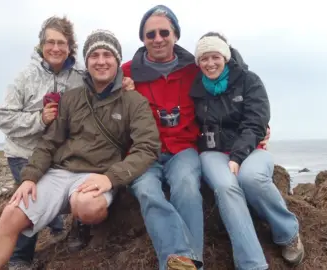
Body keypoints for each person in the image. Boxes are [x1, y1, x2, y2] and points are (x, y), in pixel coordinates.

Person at [0, 29, 161, 270]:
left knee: (86, 205)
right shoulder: (71, 98)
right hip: (60, 173)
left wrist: (111, 178)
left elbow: (148, 147)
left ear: (118, 61)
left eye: (108, 55)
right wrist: (30, 177)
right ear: (87, 62)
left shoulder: (133, 102)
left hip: (98, 174)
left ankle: (81, 224)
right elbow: (49, 142)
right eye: (94, 55)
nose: (101, 61)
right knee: (11, 214)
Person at [190, 32, 304, 269]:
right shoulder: (195, 88)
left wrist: (238, 156)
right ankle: (252, 263)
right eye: (204, 59)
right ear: (198, 62)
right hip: (212, 153)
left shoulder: (249, 80)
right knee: (226, 186)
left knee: (251, 178)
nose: (210, 63)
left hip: (251, 149)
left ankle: (288, 233)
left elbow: (256, 121)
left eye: (215, 57)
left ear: (225, 56)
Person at [0, 16, 85, 269]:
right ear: (41, 45)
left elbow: (104, 82)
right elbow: (4, 118)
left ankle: (66, 230)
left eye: (62, 43)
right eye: (50, 42)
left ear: (70, 47)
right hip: (24, 152)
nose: (55, 48)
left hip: (62, 152)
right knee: (29, 201)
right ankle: (19, 259)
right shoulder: (24, 77)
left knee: (77, 188)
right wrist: (39, 119)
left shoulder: (80, 75)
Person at [121, 5, 204, 270]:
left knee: (187, 187)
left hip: (183, 148)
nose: (157, 39)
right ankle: (181, 261)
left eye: (164, 32)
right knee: (146, 190)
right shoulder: (125, 72)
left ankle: (189, 263)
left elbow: (231, 76)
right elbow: (92, 87)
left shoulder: (194, 68)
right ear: (142, 39)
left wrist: (259, 126)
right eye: (150, 34)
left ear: (176, 35)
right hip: (144, 152)